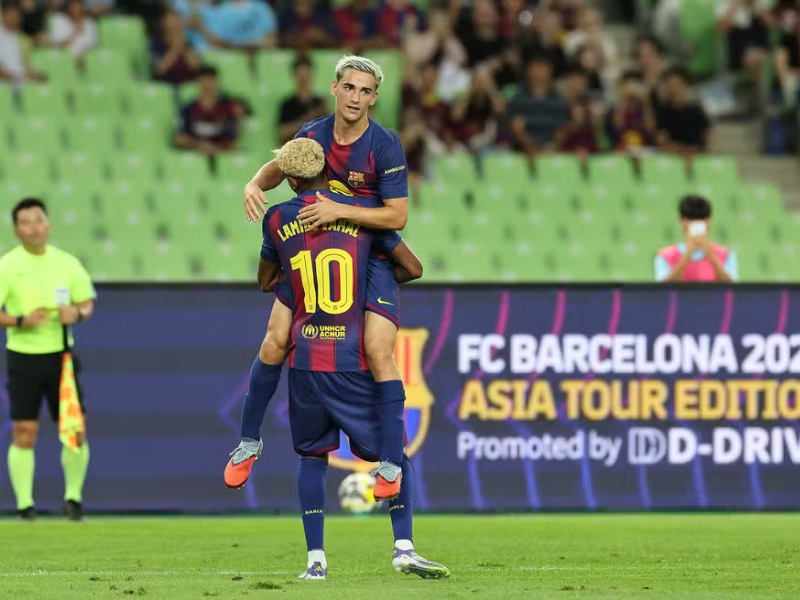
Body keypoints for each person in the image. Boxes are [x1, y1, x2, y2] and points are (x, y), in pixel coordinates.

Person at [259, 138, 447, 580]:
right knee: (393, 450)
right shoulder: (360, 212)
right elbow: (413, 267)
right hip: (351, 359)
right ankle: (403, 547)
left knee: (311, 457)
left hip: (307, 355)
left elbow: (267, 280)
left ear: (290, 179)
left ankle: (315, 562)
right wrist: (371, 279)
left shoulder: (280, 219)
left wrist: (298, 270)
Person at [228, 55, 411, 502]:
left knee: (377, 348)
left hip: (368, 255)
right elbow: (282, 167)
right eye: (350, 87)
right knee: (273, 341)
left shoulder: (384, 145)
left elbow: (397, 215)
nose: (356, 97)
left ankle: (390, 458)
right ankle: (248, 443)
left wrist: (339, 209)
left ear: (375, 97)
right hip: (316, 249)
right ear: (335, 88)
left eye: (366, 91)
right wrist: (254, 183)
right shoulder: (313, 133)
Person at [0, 198, 95, 521]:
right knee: (24, 430)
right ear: (16, 230)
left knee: (74, 430)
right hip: (23, 358)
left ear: (48, 224)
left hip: (61, 357)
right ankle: (25, 505)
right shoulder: (7, 266)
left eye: (38, 220)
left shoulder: (67, 264)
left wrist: (77, 313)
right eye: (25, 222)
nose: (33, 227)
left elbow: (86, 304)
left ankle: (73, 500)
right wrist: (21, 320)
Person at [655, 195, 738, 283]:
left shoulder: (726, 255)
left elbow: (732, 289)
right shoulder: (665, 256)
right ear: (681, 221)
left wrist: (711, 256)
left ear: (708, 221)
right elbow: (663, 292)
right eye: (691, 221)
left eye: (701, 221)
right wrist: (687, 256)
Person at [174, 65, 242, 155]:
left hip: (221, 154)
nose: (207, 84)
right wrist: (199, 145)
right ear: (198, 82)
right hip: (195, 154)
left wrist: (216, 148)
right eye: (204, 80)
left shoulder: (227, 108)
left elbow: (233, 136)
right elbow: (179, 138)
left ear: (216, 82)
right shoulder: (188, 108)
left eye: (211, 80)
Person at [277, 56, 327, 145]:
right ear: (294, 76)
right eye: (301, 75)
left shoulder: (319, 102)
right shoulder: (287, 104)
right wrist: (307, 119)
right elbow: (283, 131)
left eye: (307, 75)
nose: (304, 79)